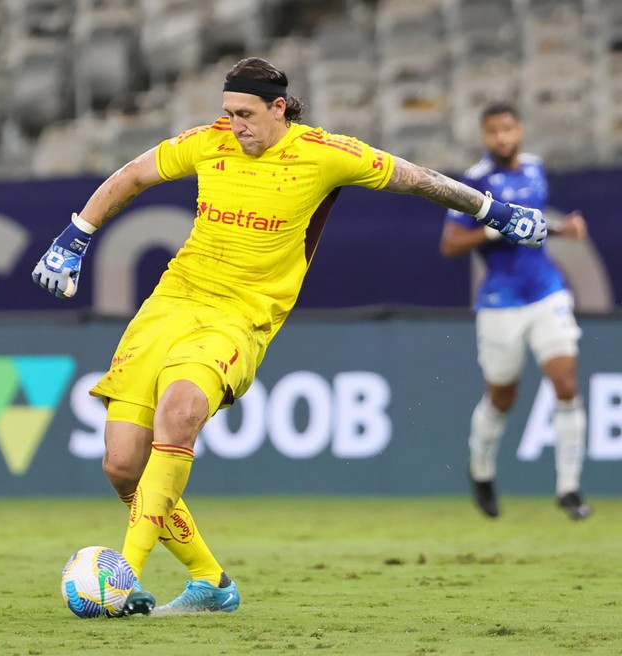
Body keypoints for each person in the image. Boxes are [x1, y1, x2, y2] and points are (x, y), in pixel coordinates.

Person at [32, 58, 547, 616]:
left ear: (279, 108)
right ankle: (211, 583)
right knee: (122, 466)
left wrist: (493, 210)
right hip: (169, 305)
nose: (234, 125)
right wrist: (75, 236)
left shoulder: (326, 154)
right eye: (228, 112)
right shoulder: (212, 141)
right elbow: (132, 174)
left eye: (246, 114)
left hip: (239, 317)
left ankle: (123, 574)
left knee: (179, 414)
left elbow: (417, 178)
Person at [440, 102, 590, 521]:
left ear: (519, 130)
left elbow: (532, 226)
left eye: (508, 129)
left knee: (565, 381)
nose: (502, 137)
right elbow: (450, 244)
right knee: (502, 395)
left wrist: (564, 230)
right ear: (484, 136)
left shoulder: (535, 169)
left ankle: (569, 488)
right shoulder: (474, 182)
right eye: (493, 131)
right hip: (500, 301)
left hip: (546, 292)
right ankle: (481, 469)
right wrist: (489, 228)